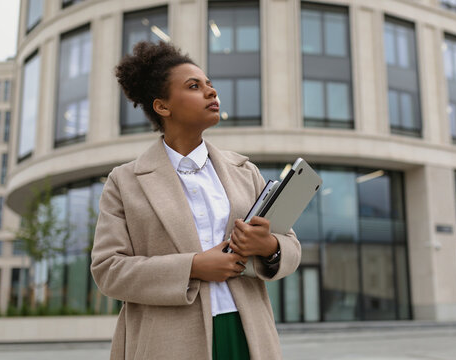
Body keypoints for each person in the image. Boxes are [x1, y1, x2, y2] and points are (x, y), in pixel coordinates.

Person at [90, 41, 301, 360]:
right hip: (166, 341)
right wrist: (193, 266)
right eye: (194, 86)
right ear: (162, 106)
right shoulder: (125, 182)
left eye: (210, 85)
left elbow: (291, 245)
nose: (211, 92)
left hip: (248, 334)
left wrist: (268, 246)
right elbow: (108, 270)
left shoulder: (244, 171)